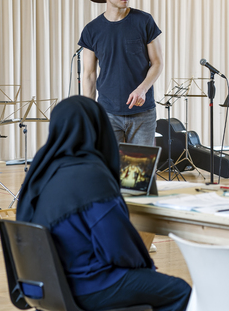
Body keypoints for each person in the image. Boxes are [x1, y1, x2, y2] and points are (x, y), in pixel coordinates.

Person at [16, 96, 191, 311]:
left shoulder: (42, 170)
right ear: (97, 128)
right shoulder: (90, 175)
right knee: (179, 290)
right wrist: (145, 267)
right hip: (89, 284)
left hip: (48, 283)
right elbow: (116, 244)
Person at [79, 0, 163, 145]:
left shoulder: (144, 21)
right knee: (109, 170)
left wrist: (142, 89)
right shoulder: (91, 30)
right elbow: (89, 74)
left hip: (143, 113)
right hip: (108, 113)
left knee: (141, 173)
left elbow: (157, 63)